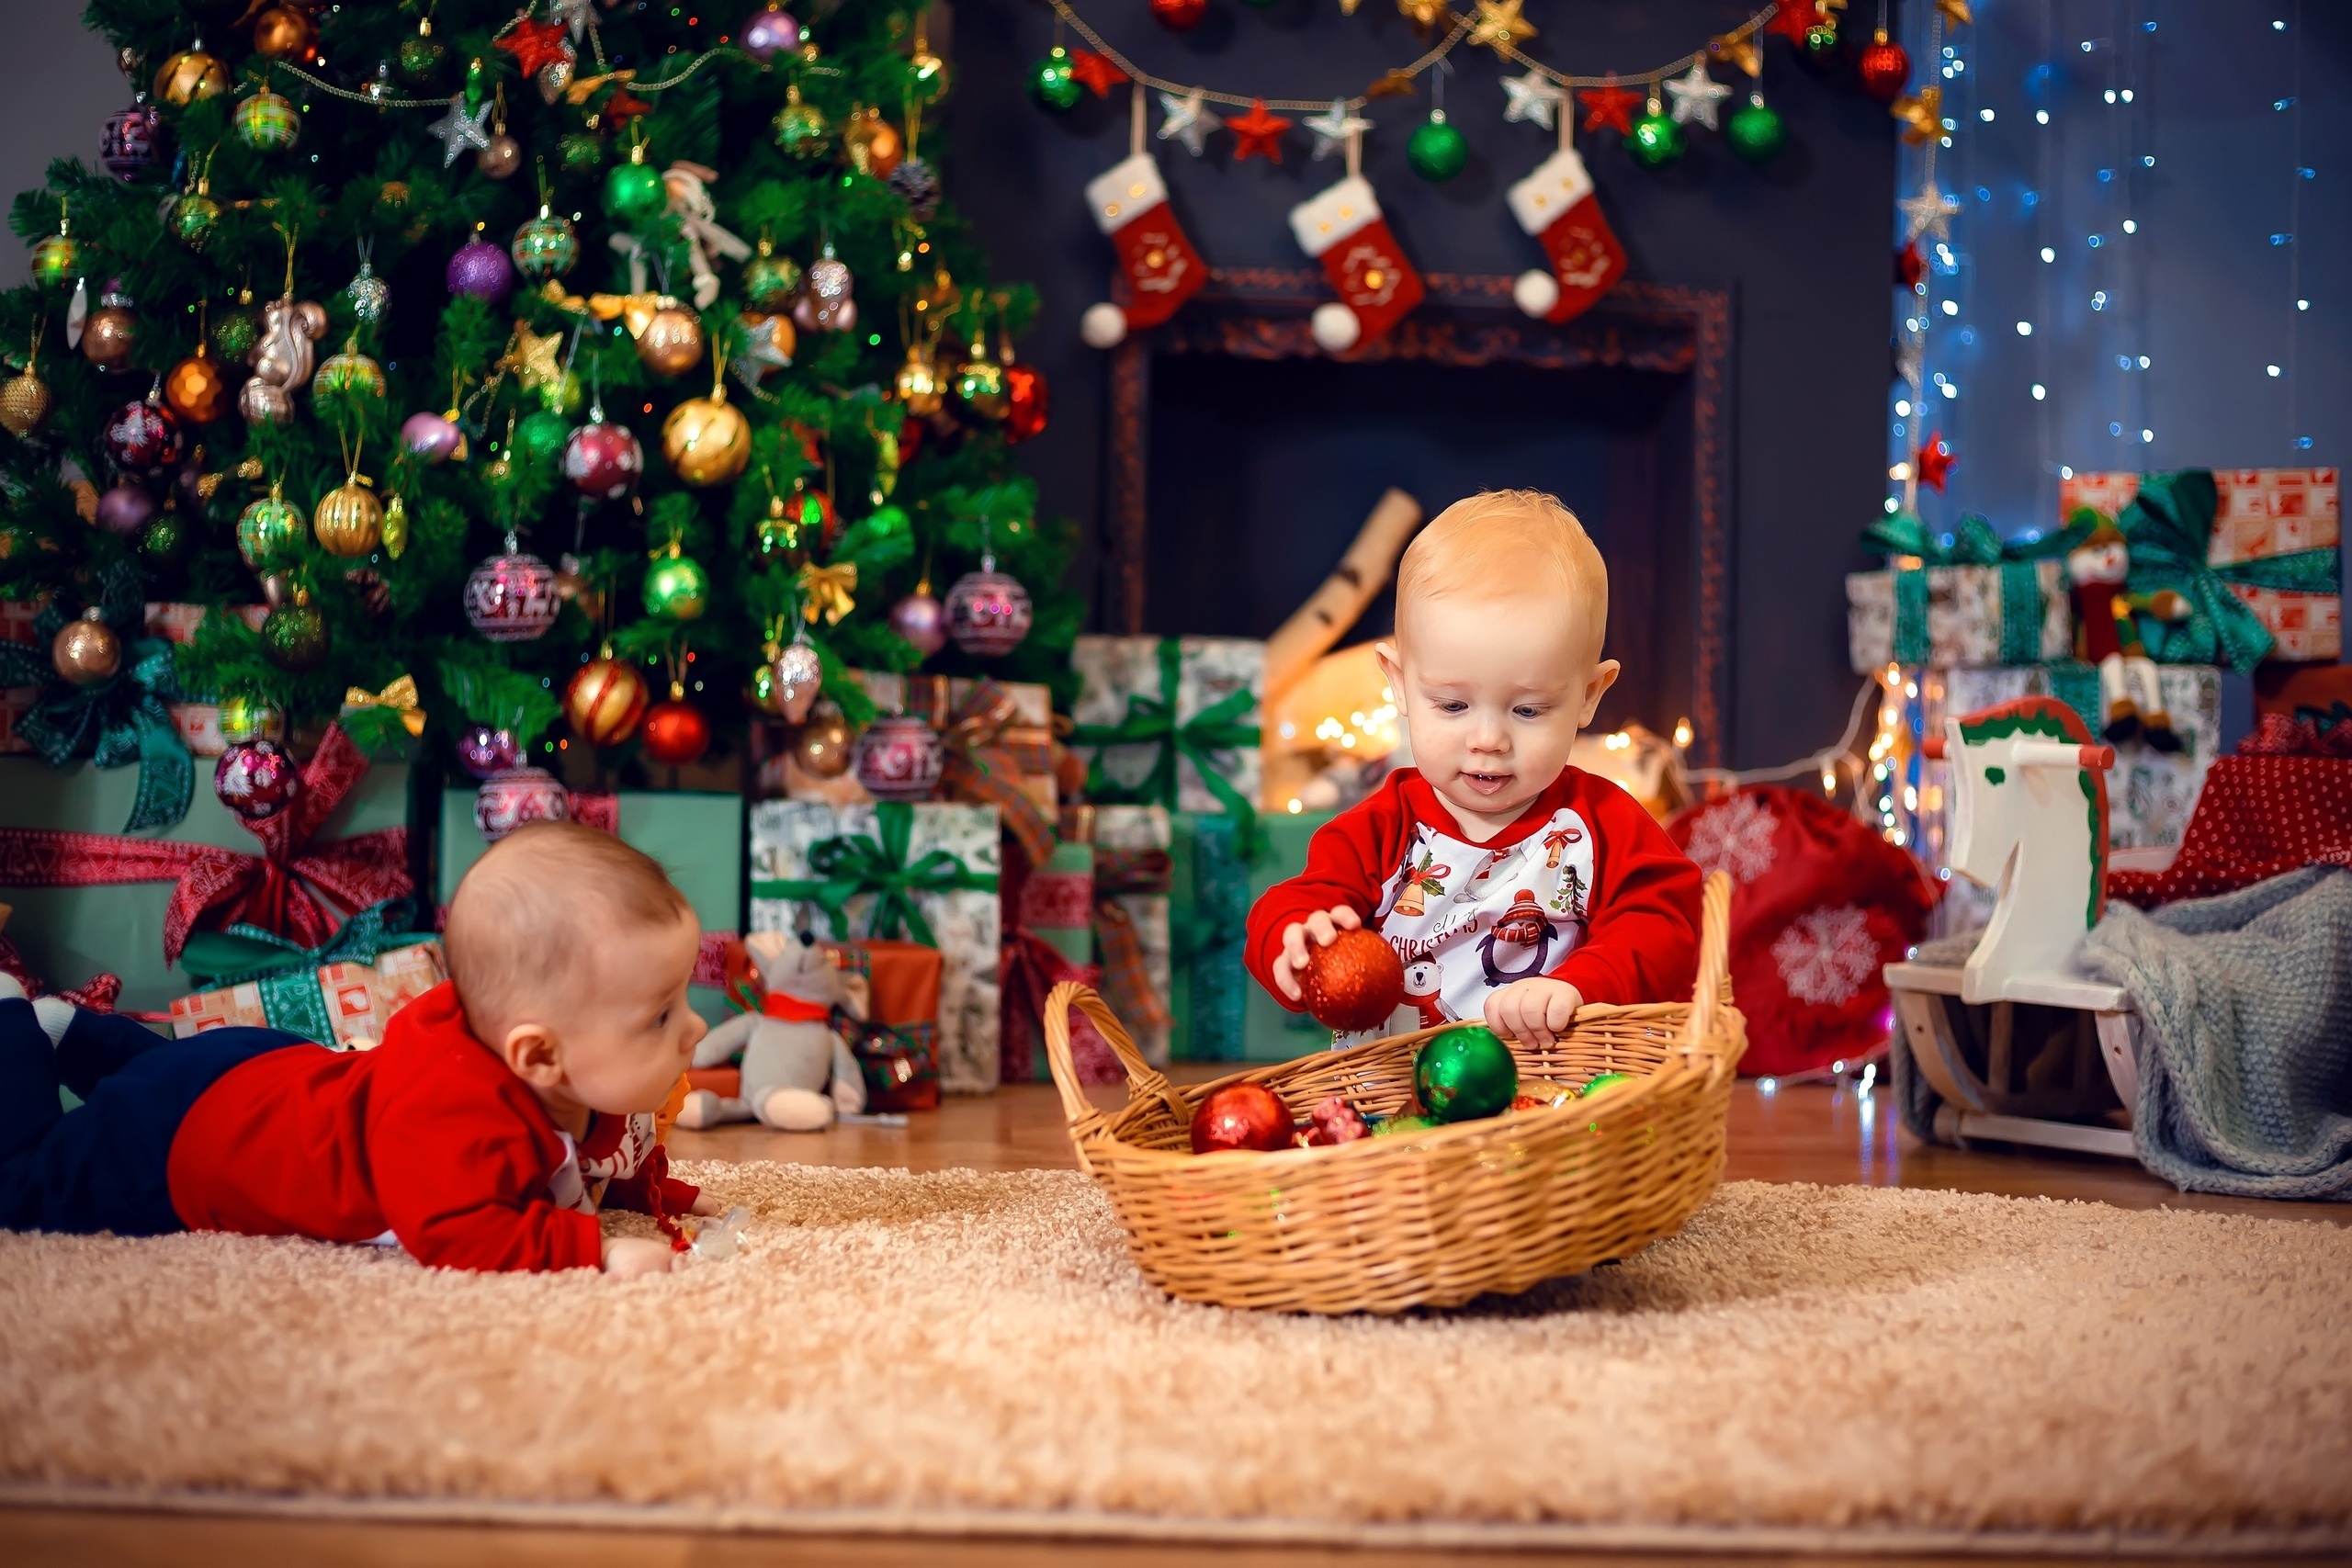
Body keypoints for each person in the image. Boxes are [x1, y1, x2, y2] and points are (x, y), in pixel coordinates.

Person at [0, 819, 715, 1277]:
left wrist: (645, 1191)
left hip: (258, 1073)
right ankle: (15, 1024)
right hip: (191, 1147)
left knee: (156, 1073)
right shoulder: (451, 1117)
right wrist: (594, 1248)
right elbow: (455, 1231)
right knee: (27, 1188)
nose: (696, 1029)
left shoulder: (551, 1069)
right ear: (538, 1056)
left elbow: (590, 1153)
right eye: (659, 1017)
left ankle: (77, 1033)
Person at [1246, 489, 1702, 1046]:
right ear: (1399, 684)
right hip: (1392, 1100)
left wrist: (1583, 986)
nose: (1488, 740)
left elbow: (1666, 924)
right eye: (1453, 706)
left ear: (1589, 695)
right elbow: (1299, 898)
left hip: (1550, 1095)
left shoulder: (1602, 824)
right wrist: (1295, 938)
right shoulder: (1381, 829)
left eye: (1528, 710)